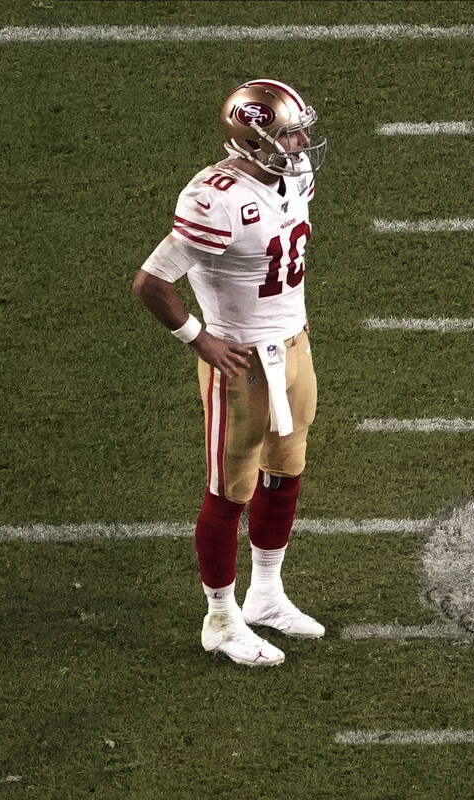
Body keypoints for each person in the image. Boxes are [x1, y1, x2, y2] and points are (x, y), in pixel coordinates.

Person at [132, 79, 328, 666]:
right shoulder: (214, 197)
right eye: (290, 131)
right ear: (252, 138)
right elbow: (151, 282)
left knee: (286, 471)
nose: (302, 140)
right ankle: (220, 617)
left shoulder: (294, 176)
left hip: (293, 348)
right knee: (229, 490)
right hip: (240, 362)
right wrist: (200, 339)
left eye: (301, 128)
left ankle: (266, 593)